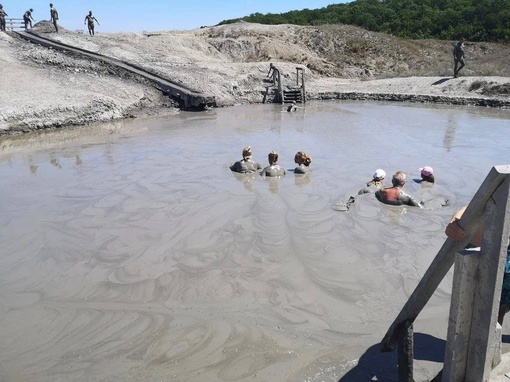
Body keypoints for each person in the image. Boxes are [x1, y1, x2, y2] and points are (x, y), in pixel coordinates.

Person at [446, 205, 510, 325]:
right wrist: (455, 222)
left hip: (501, 253)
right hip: (478, 247)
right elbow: (475, 204)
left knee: (497, 308)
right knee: (482, 306)